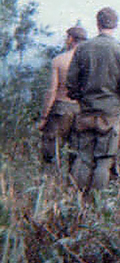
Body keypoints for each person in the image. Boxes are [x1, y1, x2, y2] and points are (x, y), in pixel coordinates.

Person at [66, 7, 120, 193]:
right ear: (115, 24)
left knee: (83, 158)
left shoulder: (82, 48)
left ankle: (75, 201)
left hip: (86, 111)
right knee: (104, 162)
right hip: (111, 114)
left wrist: (81, 99)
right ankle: (96, 207)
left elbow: (71, 83)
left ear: (97, 24)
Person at [38, 26, 87, 168]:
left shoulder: (59, 60)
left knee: (51, 148)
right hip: (81, 110)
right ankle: (72, 185)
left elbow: (52, 90)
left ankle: (49, 182)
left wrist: (44, 116)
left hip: (61, 107)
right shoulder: (88, 62)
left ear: (70, 39)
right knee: (76, 152)